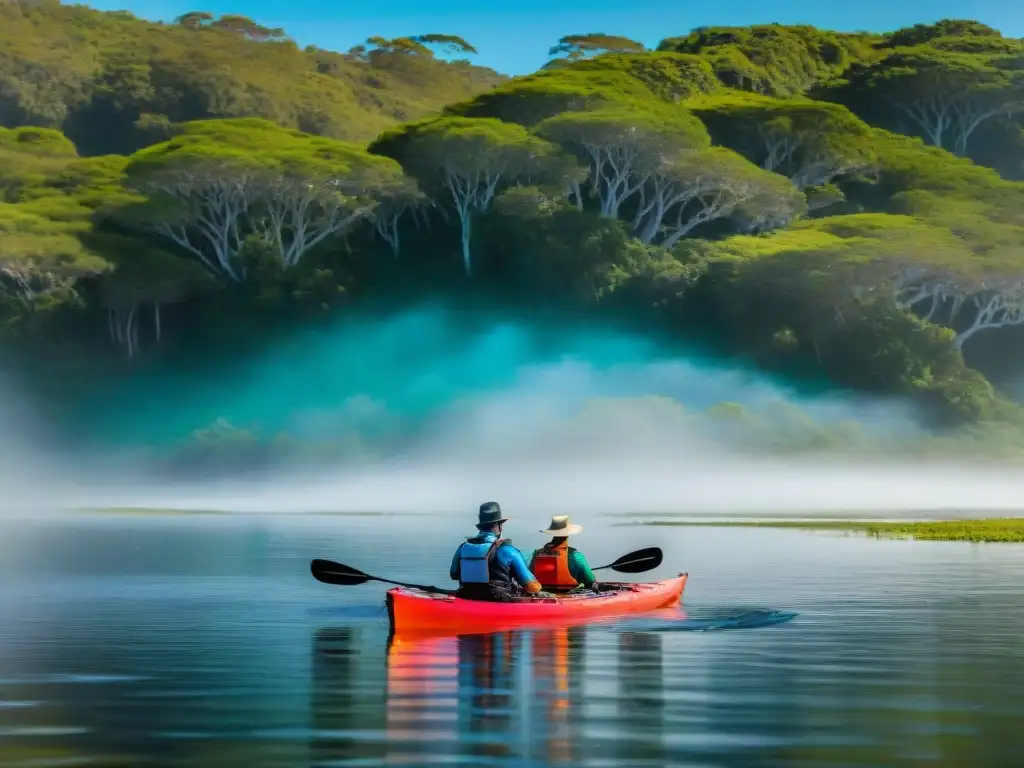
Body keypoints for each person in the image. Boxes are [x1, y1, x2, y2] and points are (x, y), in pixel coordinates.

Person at [450, 501, 546, 601]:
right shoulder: (508, 551)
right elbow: (532, 586)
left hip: (466, 596)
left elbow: (454, 574)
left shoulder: (463, 547)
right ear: (499, 526)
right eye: (501, 524)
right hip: (498, 600)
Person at [529, 515, 599, 593]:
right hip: (570, 597)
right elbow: (591, 582)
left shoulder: (536, 554)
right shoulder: (576, 556)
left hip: (542, 596)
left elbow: (529, 578)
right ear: (568, 535)